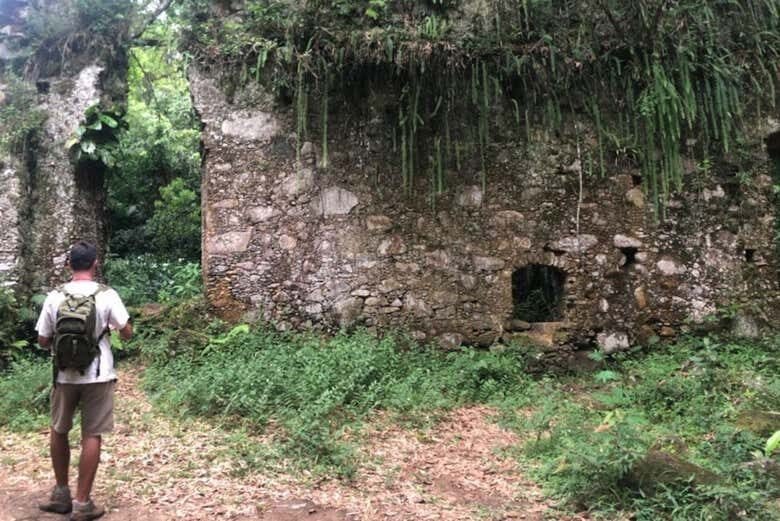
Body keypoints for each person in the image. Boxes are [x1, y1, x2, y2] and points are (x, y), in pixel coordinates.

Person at [35, 241, 132, 521]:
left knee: (59, 429)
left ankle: (61, 494)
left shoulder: (55, 296)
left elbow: (42, 340)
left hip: (64, 375)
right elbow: (127, 332)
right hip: (98, 375)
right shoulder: (107, 294)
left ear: (68, 265)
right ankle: (82, 504)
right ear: (95, 263)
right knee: (92, 434)